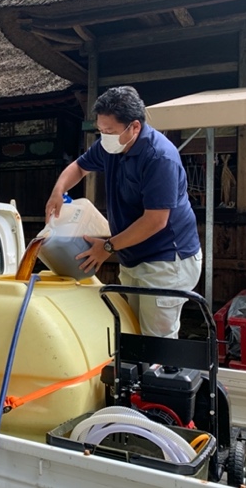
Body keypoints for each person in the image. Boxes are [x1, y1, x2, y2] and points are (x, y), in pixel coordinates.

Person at [45, 86, 202, 338]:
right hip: (132, 255)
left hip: (166, 259)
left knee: (157, 340)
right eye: (100, 130)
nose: (104, 136)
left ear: (134, 127)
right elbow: (79, 167)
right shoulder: (111, 146)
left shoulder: (159, 158)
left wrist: (107, 247)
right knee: (132, 331)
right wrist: (58, 190)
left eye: (109, 131)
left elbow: (155, 221)